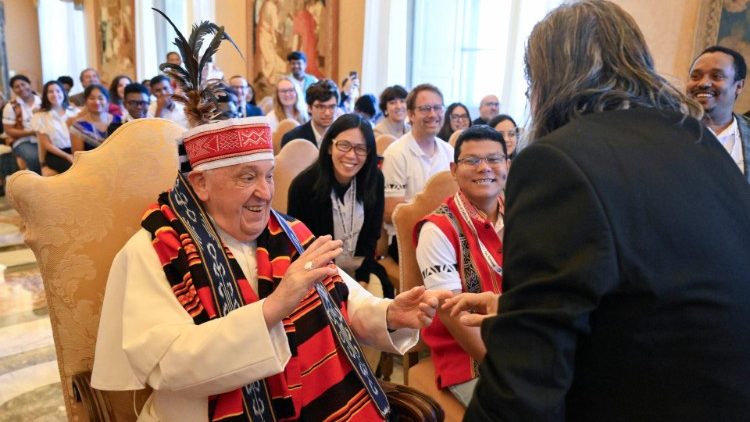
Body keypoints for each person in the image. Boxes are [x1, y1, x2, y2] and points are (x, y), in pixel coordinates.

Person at [445, 1, 750, 420]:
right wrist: (519, 308)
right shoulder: (699, 142)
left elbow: (525, 385)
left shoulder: (557, 162)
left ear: (546, 79)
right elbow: (653, 289)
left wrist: (525, 321)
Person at [91, 115, 449, 421]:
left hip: (320, 403)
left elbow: (347, 301)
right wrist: (272, 309)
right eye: (247, 178)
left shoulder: (288, 232)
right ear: (200, 183)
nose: (265, 193)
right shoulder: (155, 250)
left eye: (269, 176)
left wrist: (389, 314)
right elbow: (166, 365)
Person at [415, 125, 507, 407]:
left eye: (494, 159)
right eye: (472, 161)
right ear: (454, 169)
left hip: (522, 338)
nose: (484, 168)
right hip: (467, 354)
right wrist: (507, 371)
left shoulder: (524, 213)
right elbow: (454, 316)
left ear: (507, 165)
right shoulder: (438, 229)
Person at [289, 113, 394, 298]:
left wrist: (361, 282)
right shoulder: (304, 186)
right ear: (330, 146)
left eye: (361, 148)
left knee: (381, 310)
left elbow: (371, 238)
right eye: (344, 145)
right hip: (317, 274)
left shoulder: (374, 181)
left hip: (360, 268)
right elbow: (300, 247)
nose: (352, 155)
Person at [382, 83, 453, 262]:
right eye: (425, 109)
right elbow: (392, 213)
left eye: (437, 108)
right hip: (408, 241)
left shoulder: (449, 151)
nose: (433, 114)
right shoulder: (396, 153)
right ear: (411, 114)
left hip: (448, 238)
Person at [687, 45, 750, 182]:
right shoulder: (667, 129)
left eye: (716, 76)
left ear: (738, 86)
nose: (703, 83)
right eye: (696, 76)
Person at [31, 80, 78, 174]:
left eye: (58, 91)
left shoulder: (75, 112)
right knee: (74, 170)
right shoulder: (40, 117)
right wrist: (67, 156)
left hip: (76, 151)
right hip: (55, 154)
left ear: (63, 93)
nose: (55, 94)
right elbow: (46, 145)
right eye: (50, 92)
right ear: (46, 95)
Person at [281, 79, 338, 149]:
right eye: (321, 107)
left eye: (332, 107)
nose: (327, 113)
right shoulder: (293, 138)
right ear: (309, 108)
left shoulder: (343, 136)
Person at [2, 74, 42, 174]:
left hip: (45, 138)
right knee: (34, 157)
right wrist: (31, 133)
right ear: (13, 90)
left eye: (23, 84)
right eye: (17, 87)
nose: (21, 88)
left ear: (29, 84)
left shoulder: (42, 101)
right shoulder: (10, 106)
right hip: (22, 141)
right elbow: (9, 130)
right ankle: (39, 183)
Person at [70, 84, 120, 152]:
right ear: (86, 102)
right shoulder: (78, 127)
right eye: (92, 98)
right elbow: (78, 158)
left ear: (107, 101)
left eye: (100, 98)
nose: (97, 102)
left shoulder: (119, 121)